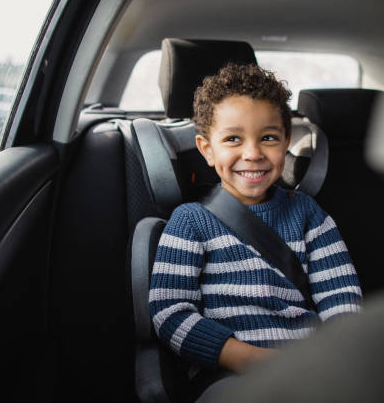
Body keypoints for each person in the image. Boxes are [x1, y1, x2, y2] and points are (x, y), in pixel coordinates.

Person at [148, 63, 362, 400]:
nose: (252, 153)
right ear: (207, 149)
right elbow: (170, 313)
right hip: (229, 373)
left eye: (269, 138)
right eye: (233, 138)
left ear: (286, 142)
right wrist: (253, 359)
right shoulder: (189, 222)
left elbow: (342, 301)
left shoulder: (310, 216)